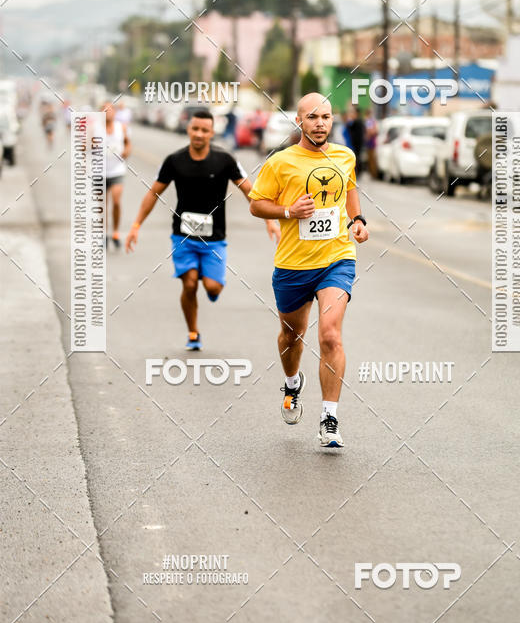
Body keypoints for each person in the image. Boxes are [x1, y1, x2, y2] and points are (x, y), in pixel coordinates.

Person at [249, 93, 369, 448]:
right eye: (313, 117)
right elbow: (257, 205)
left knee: (330, 335)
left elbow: (348, 187)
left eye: (326, 117)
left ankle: (329, 417)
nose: (320, 123)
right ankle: (291, 384)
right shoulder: (280, 162)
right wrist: (288, 212)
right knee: (291, 337)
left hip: (336, 258)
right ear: (299, 121)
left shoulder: (345, 155)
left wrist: (357, 219)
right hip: (293, 265)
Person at [125, 108, 279, 350]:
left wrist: (269, 220)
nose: (198, 134)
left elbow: (250, 190)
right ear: (188, 129)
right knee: (189, 283)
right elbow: (153, 193)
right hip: (183, 237)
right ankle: (193, 333)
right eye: (195, 129)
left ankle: (213, 287)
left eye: (204, 130)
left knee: (212, 287)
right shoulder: (174, 161)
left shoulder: (224, 160)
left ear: (211, 132)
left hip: (214, 239)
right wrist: (135, 226)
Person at [103, 102, 131, 249]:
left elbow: (128, 143)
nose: (107, 112)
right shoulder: (94, 129)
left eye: (110, 109)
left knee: (116, 201)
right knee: (102, 206)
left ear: (114, 112)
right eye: (104, 110)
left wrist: (126, 151)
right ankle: (104, 235)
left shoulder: (121, 127)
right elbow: (83, 147)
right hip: (99, 172)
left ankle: (115, 232)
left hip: (117, 171)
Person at [345, 106, 365, 176]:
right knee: (357, 157)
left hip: (357, 143)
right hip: (357, 143)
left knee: (356, 157)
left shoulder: (357, 121)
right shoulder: (359, 121)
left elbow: (349, 128)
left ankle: (357, 172)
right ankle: (357, 172)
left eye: (353, 113)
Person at [364, 108, 378, 178]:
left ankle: (373, 174)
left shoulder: (369, 121)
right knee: (371, 159)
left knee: (371, 159)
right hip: (371, 142)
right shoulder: (372, 121)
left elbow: (370, 131)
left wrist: (367, 136)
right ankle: (372, 173)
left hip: (371, 142)